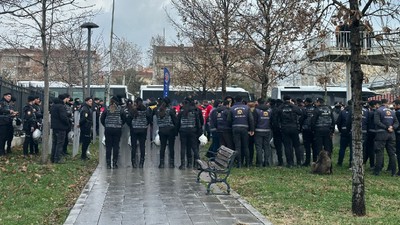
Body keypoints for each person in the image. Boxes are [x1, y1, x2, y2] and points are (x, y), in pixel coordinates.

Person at [373, 99, 398, 176]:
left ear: (380, 104)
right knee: (392, 153)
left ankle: (377, 171)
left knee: (379, 152)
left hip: (381, 134)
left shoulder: (378, 111)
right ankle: (393, 171)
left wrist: (386, 127)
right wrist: (392, 127)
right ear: (387, 103)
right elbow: (397, 122)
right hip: (391, 134)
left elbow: (377, 122)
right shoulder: (392, 112)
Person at [176, 97, 203, 170]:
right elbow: (198, 122)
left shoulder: (181, 111)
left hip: (183, 131)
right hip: (193, 131)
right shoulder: (195, 111)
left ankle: (183, 164)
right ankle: (198, 164)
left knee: (183, 147)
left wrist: (177, 131)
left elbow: (177, 122)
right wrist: (199, 131)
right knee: (194, 147)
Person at [228, 95, 254, 168]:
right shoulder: (247, 108)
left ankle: (239, 163)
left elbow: (229, 120)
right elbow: (251, 119)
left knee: (237, 146)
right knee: (246, 146)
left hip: (235, 127)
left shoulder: (232, 108)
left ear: (235, 100)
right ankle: (248, 164)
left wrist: (232, 125)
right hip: (245, 128)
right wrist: (252, 129)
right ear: (242, 100)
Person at [101, 96, 126, 169]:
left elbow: (102, 119)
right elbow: (124, 118)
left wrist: (106, 125)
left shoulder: (107, 109)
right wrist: (120, 124)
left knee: (108, 147)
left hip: (108, 129)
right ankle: (115, 163)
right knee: (116, 146)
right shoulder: (120, 109)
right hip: (117, 129)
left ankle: (108, 164)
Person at [277, 95, 303, 167]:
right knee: (296, 146)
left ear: (283, 99)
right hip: (294, 128)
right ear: (290, 99)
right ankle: (298, 163)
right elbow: (300, 113)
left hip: (284, 128)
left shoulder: (281, 107)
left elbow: (277, 116)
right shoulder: (294, 106)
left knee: (287, 146)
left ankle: (290, 163)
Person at [127, 97, 151, 168]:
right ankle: (141, 163)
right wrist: (145, 124)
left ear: (136, 103)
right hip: (143, 130)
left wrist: (131, 126)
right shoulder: (146, 110)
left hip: (134, 130)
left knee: (133, 147)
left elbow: (128, 120)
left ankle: (133, 162)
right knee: (142, 146)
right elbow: (149, 119)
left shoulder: (132, 110)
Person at [155, 97, 178, 168]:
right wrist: (176, 131)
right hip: (170, 130)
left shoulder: (158, 110)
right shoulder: (171, 110)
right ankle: (171, 163)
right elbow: (175, 121)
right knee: (171, 147)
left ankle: (161, 163)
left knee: (162, 147)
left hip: (162, 130)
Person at [50, 94, 70, 163]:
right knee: (60, 143)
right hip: (61, 127)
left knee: (55, 142)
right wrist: (68, 122)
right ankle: (57, 158)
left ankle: (53, 157)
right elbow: (63, 117)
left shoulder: (53, 106)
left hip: (55, 127)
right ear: (63, 99)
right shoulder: (61, 106)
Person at [254, 98, 272, 167]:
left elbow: (254, 121)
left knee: (259, 147)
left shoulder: (256, 110)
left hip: (258, 130)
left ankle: (260, 163)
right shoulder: (270, 110)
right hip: (267, 130)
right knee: (266, 146)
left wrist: (253, 129)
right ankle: (266, 162)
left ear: (258, 103)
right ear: (264, 102)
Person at [336, 100, 352, 167]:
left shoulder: (342, 112)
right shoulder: (355, 112)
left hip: (344, 132)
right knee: (352, 149)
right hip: (352, 132)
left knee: (342, 148)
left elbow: (338, 122)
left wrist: (341, 130)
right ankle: (351, 163)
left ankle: (340, 162)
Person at [300, 98, 316, 166]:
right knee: (314, 146)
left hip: (306, 129)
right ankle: (315, 160)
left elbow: (301, 119)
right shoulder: (315, 109)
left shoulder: (304, 109)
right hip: (314, 130)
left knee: (307, 147)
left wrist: (300, 127)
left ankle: (307, 161)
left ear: (306, 102)